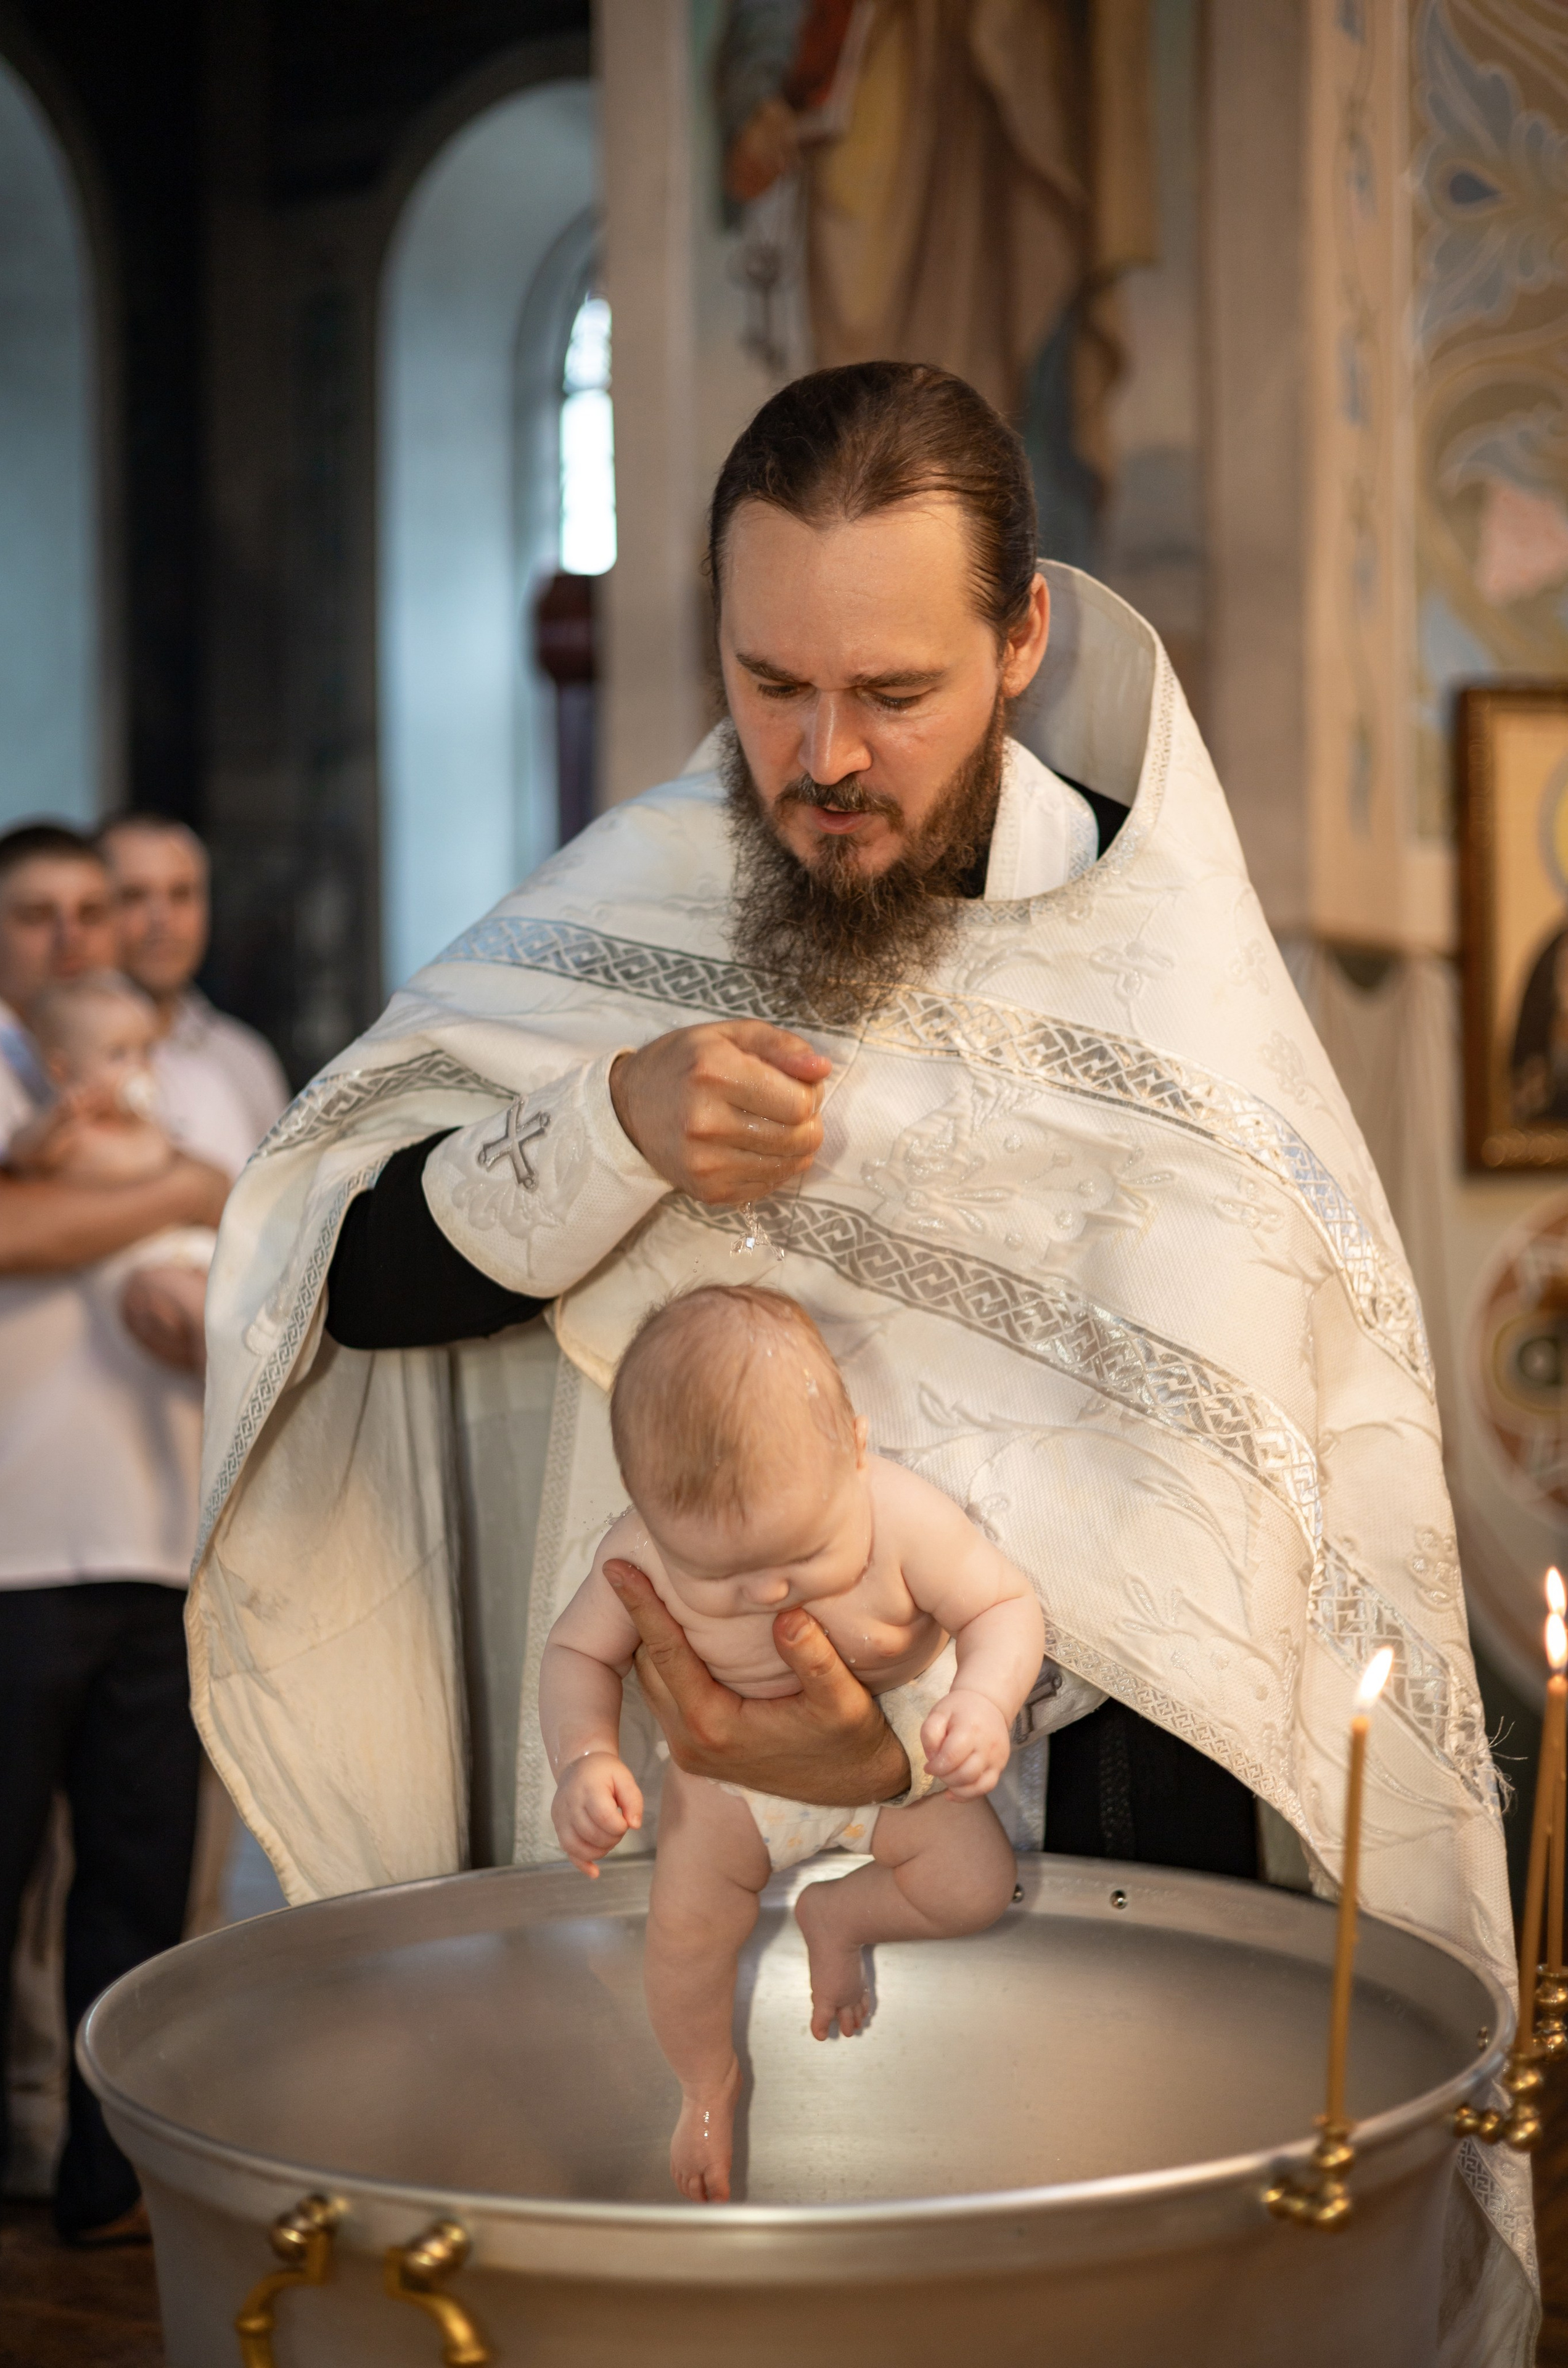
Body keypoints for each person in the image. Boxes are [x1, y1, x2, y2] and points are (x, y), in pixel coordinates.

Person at [198, 364, 1529, 2357]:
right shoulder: (637, 906)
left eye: (893, 696)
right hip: (668, 1815)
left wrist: (897, 1739)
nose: (821, 760)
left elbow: (1227, 1523)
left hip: (1061, 1878)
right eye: (768, 685)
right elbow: (348, 1280)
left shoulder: (1158, 997)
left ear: (1021, 643)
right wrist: (611, 1132)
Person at [543, 1285, 1045, 2201]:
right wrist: (586, 1758)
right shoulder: (641, 1553)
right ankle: (704, 2084)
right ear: (649, 1516)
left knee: (976, 1886)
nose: (771, 1592)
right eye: (720, 1573)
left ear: (855, 1449)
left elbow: (1004, 1604)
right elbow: (577, 1651)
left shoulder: (901, 1515)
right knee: (686, 1941)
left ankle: (842, 1916)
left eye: (804, 1553)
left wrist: (982, 1700)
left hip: (897, 1763)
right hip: (733, 1797)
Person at [0, 821, 230, 2250]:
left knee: (137, 1888)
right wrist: (182, 1190)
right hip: (8, 1554)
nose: (75, 938)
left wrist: (195, 1208)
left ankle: (110, 2174)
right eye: (36, 916)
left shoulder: (189, 1059)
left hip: (163, 1542)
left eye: (93, 911)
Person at [6, 971, 216, 1373]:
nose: (139, 1068)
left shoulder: (146, 1124)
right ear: (64, 1072)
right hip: (129, 1264)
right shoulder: (72, 1134)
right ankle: (229, 1397)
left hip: (185, 1242)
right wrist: (55, 1120)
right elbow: (21, 1157)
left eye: (146, 1052)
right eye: (118, 1055)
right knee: (198, 1312)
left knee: (241, 1295)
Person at [97, 813, 289, 1173]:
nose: (162, 919)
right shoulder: (48, 1049)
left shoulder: (246, 1061)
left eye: (181, 895)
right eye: (134, 896)